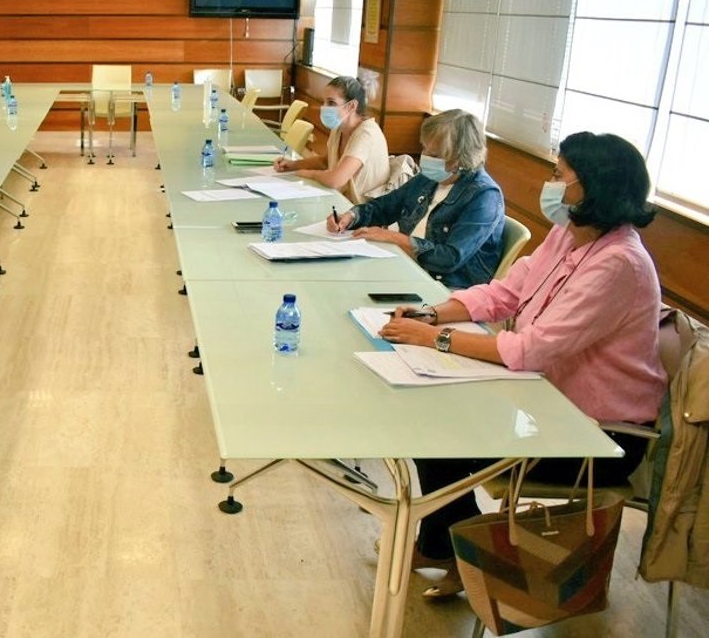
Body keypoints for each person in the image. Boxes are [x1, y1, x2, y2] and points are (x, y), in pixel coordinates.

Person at [378, 132, 667, 598]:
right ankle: (444, 546)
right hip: (543, 400)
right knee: (429, 418)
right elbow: (505, 293)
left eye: (559, 175)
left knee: (444, 436)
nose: (549, 183)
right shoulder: (569, 234)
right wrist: (432, 314)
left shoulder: (620, 264)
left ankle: (455, 551)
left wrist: (437, 339)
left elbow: (532, 348)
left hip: (597, 436)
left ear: (591, 187)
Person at [328, 109, 505, 288]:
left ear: (459, 159)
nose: (424, 157)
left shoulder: (484, 196)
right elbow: (386, 206)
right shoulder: (430, 178)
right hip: (409, 267)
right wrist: (351, 216)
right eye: (425, 148)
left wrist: (393, 237)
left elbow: (449, 258)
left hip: (446, 287)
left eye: (434, 155)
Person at [273, 75, 390, 203]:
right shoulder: (339, 127)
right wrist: (293, 165)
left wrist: (309, 174)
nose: (324, 107)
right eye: (324, 102)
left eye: (331, 103)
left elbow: (336, 180)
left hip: (364, 209)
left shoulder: (367, 134)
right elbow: (326, 161)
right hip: (343, 201)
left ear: (351, 106)